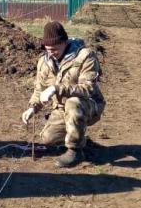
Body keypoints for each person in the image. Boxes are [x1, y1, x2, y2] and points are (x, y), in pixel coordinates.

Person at [22, 21, 105, 168]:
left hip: (87, 104)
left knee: (73, 103)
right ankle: (79, 138)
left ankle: (75, 151)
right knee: (48, 139)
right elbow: (39, 89)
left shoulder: (85, 56)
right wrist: (33, 107)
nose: (51, 53)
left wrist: (57, 88)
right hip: (61, 108)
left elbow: (88, 88)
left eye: (55, 49)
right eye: (48, 49)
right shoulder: (44, 62)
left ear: (65, 42)